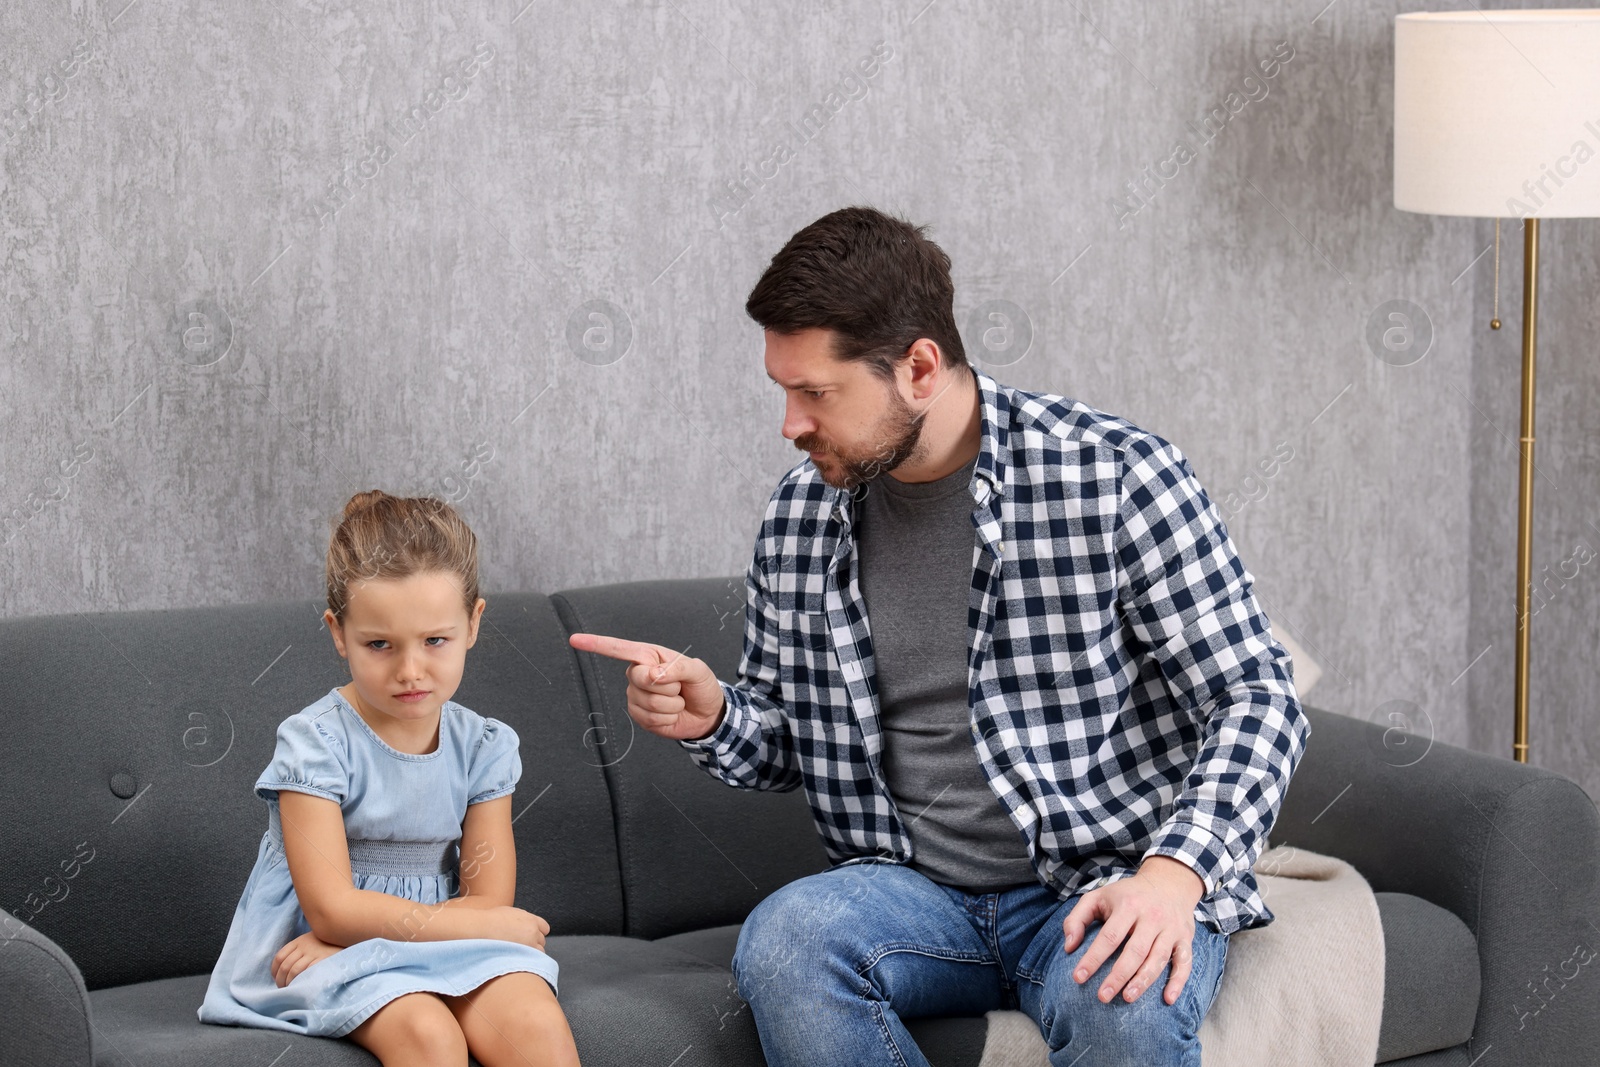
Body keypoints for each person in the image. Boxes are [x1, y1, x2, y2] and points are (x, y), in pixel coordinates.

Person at [568, 206, 1310, 1067]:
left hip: (1103, 876)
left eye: (815, 392)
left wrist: (1174, 878)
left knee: (1124, 1007)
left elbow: (1256, 694)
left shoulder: (1113, 477)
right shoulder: (801, 514)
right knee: (787, 942)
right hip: (911, 892)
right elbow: (783, 740)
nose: (790, 423)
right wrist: (711, 714)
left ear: (919, 367)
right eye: (784, 390)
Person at [198, 490, 580, 1067]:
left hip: (440, 942)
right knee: (428, 1034)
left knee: (533, 1023)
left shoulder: (484, 745)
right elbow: (331, 910)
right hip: (324, 948)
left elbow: (489, 897)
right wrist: (486, 924)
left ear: (473, 622)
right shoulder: (316, 743)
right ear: (337, 632)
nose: (410, 671)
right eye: (379, 644)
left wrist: (484, 921)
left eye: (435, 641)